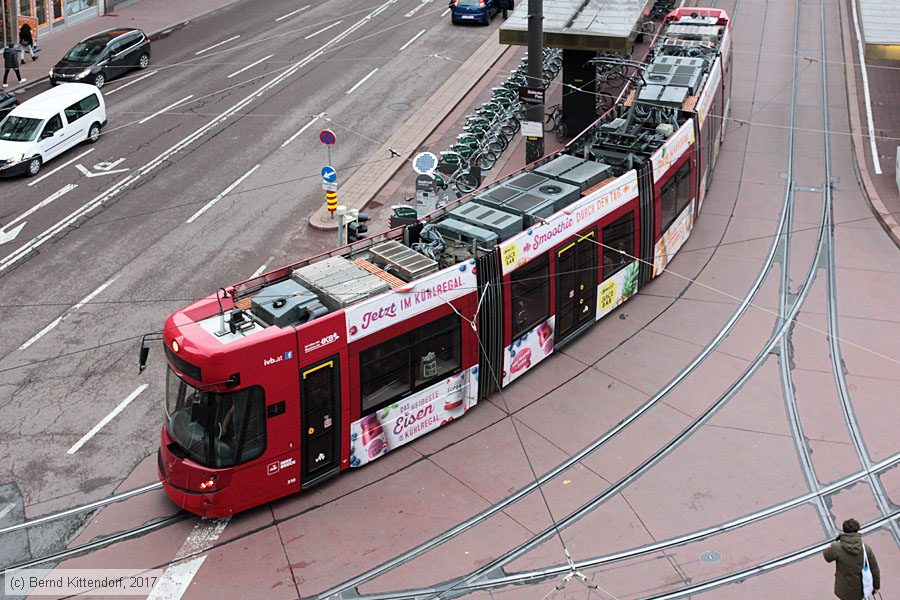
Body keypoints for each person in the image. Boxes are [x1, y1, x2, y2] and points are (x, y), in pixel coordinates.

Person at [823, 518, 881, 600]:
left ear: (844, 530)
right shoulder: (866, 549)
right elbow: (875, 570)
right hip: (860, 589)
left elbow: (827, 557)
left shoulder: (836, 547)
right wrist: (876, 586)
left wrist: (833, 544)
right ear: (857, 530)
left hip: (843, 589)